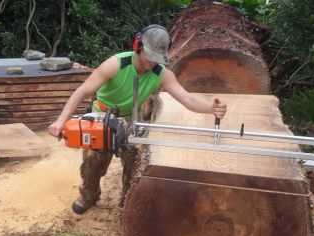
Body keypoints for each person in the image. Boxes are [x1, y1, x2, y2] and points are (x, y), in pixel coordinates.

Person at [48, 24, 227, 214]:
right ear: (138, 46)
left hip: (132, 120)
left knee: (134, 166)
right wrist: (61, 121)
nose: (152, 63)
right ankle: (89, 195)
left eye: (157, 59)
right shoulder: (116, 64)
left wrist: (210, 108)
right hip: (103, 117)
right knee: (93, 166)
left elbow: (187, 98)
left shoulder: (162, 74)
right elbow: (83, 91)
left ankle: (128, 202)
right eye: (150, 57)